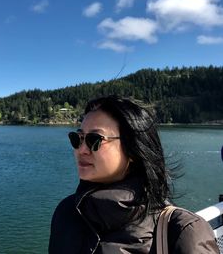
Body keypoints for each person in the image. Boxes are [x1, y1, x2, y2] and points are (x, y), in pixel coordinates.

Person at [49, 95, 219, 253]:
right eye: (77, 138)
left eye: (94, 140)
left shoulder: (183, 232)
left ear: (133, 150)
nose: (81, 150)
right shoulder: (66, 212)